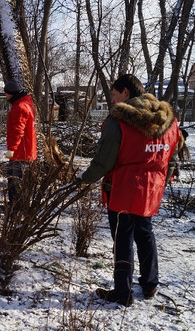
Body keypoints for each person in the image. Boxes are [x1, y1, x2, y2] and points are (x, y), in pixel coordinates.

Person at [77, 74, 180, 307]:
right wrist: (162, 180)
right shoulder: (168, 120)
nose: (112, 100)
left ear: (125, 93)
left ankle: (123, 291)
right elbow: (172, 155)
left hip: (124, 187)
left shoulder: (118, 121)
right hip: (151, 189)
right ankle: (150, 283)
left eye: (114, 94)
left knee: (123, 237)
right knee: (145, 233)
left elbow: (104, 161)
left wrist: (84, 178)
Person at [3, 79, 37, 206]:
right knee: (16, 179)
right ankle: (15, 204)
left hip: (21, 152)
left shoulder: (20, 107)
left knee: (16, 179)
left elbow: (18, 130)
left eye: (6, 93)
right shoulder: (26, 104)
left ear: (12, 93)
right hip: (25, 150)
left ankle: (18, 205)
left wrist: (11, 148)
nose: (5, 95)